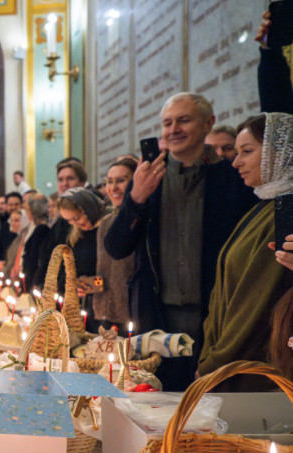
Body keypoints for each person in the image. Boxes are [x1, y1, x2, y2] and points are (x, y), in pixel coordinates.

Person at [104, 92, 258, 390]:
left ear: (207, 124)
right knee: (156, 400)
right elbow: (116, 246)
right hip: (157, 315)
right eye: (167, 123)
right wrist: (136, 197)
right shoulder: (149, 177)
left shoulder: (232, 177)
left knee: (211, 400)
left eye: (184, 120)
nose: (173, 129)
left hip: (214, 315)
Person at [198, 113, 293, 391]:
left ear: (279, 153)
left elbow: (256, 301)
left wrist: (214, 364)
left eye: (247, 151)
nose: (236, 162)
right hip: (230, 362)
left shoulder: (285, 211)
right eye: (236, 152)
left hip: (255, 372)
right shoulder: (264, 205)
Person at [94, 158, 137, 330]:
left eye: (121, 181)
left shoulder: (139, 218)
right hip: (107, 311)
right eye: (110, 182)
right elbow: (102, 269)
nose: (114, 188)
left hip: (132, 312)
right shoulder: (105, 223)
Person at [57, 188, 106, 331]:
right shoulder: (76, 235)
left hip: (103, 306)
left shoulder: (106, 229)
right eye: (69, 220)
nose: (74, 224)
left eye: (77, 218)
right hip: (83, 305)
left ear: (88, 209)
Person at [18, 194, 50, 284]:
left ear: (33, 211)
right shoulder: (34, 226)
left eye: (27, 210)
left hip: (32, 277)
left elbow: (34, 257)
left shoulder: (42, 229)